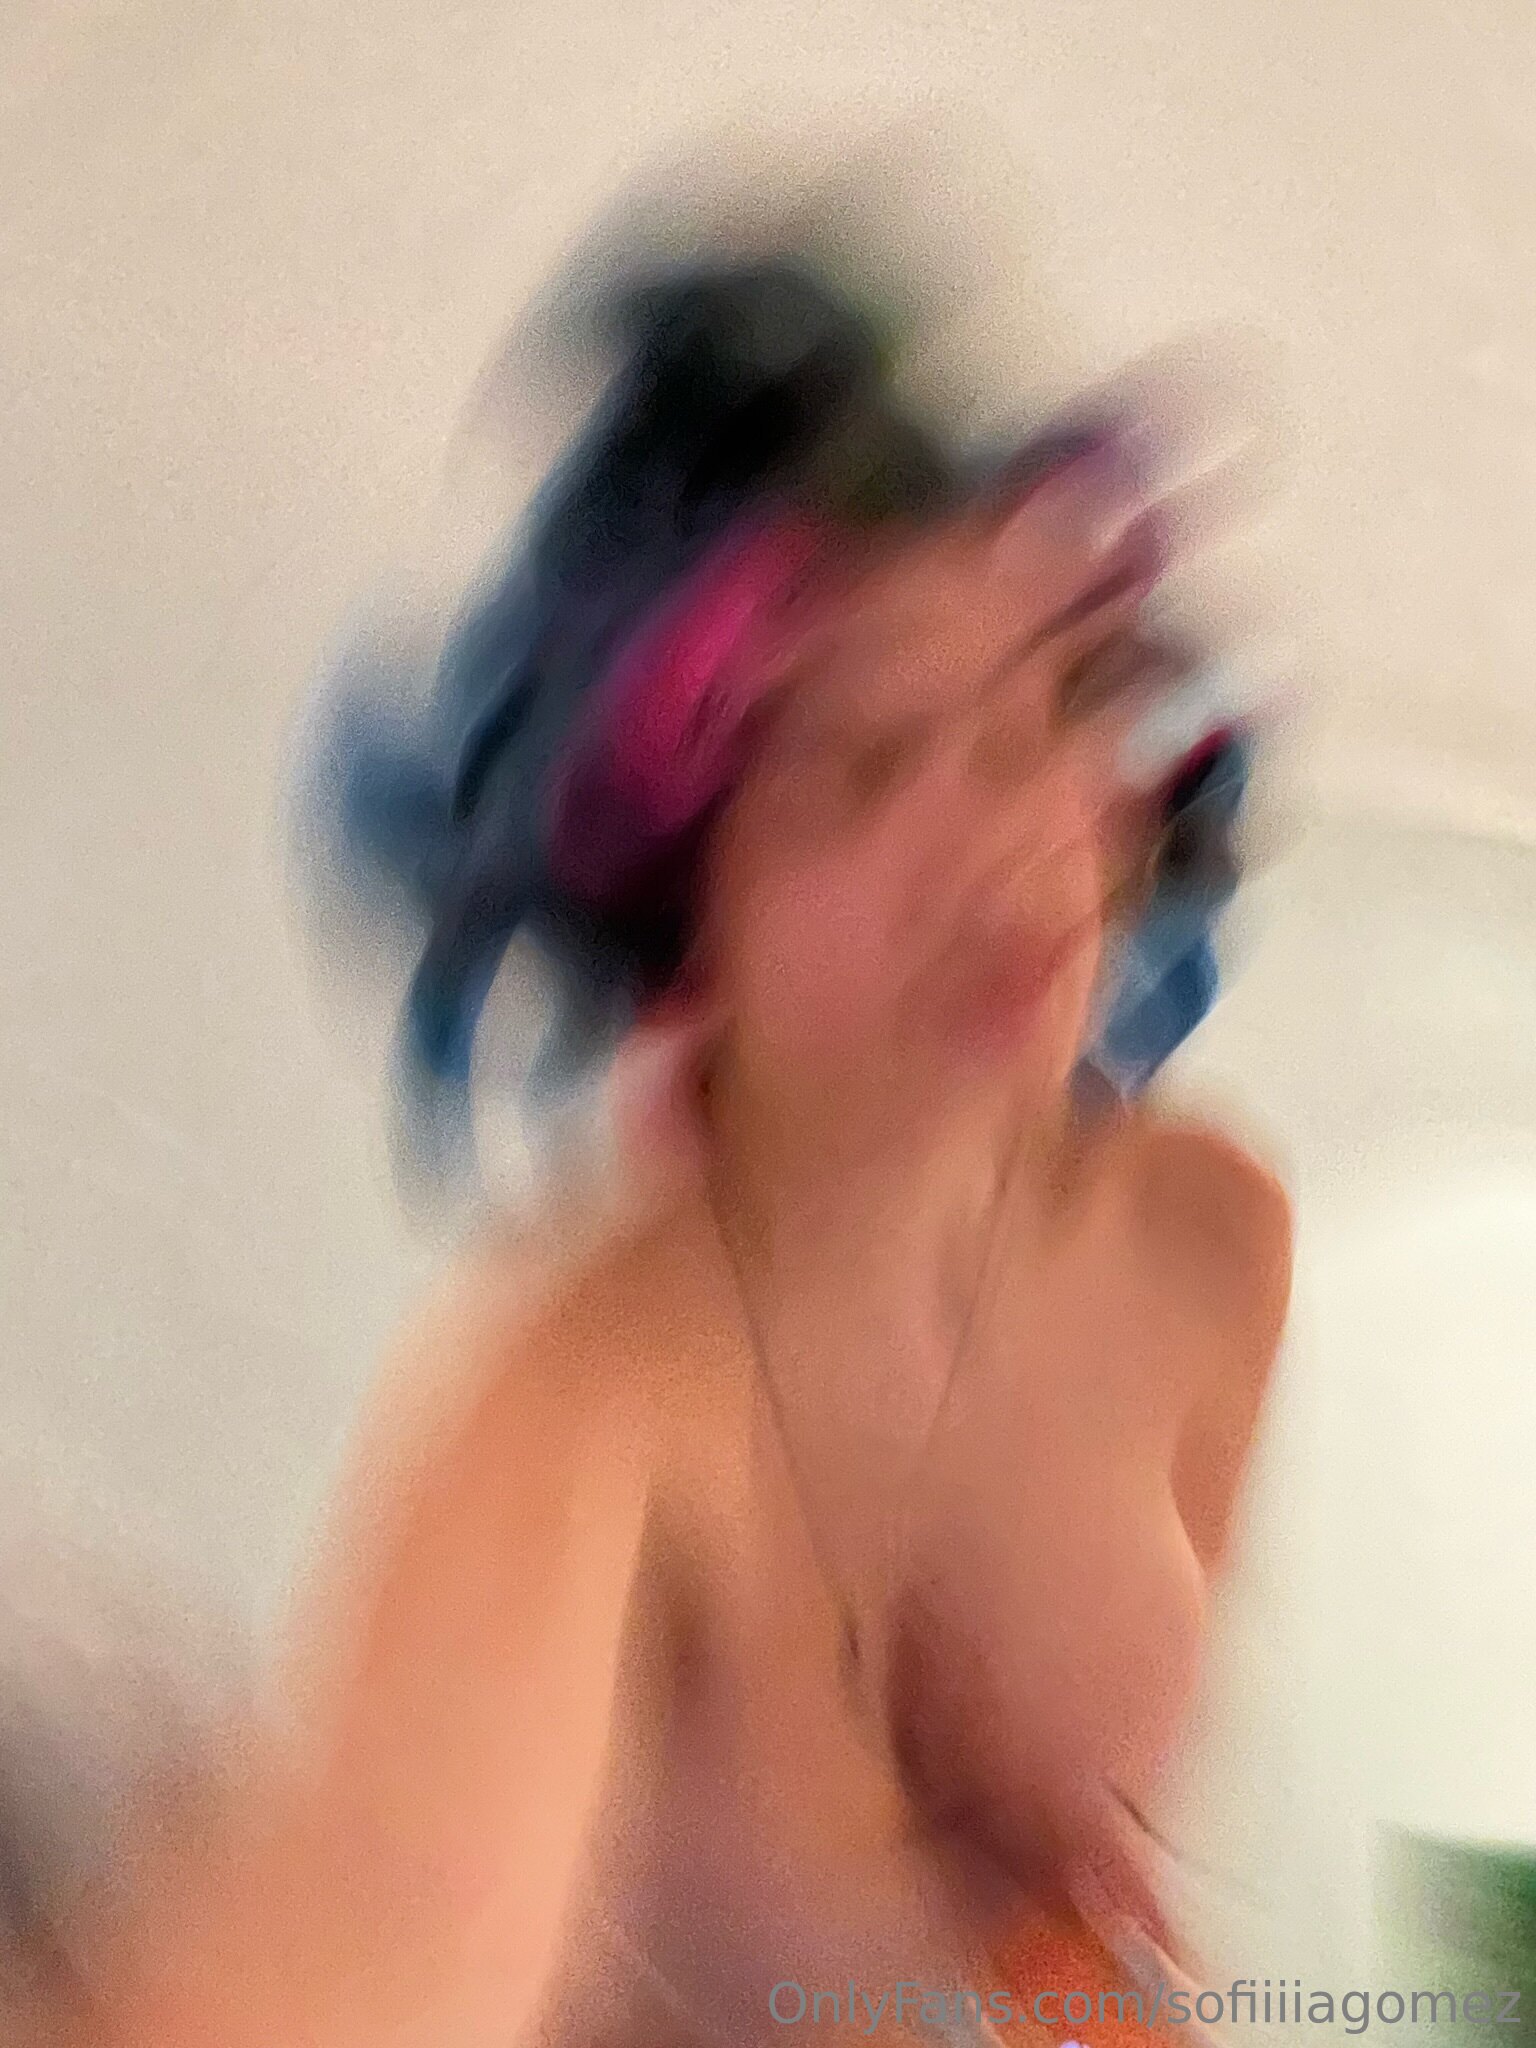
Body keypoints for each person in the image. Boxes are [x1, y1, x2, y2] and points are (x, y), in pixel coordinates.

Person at [29, 252, 1291, 2048]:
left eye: (1042, 719)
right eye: (861, 769)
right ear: (682, 902)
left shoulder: (1208, 1241)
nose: (1006, 838)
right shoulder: (597, 1401)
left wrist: (1085, 1983)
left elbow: (1074, 1894)